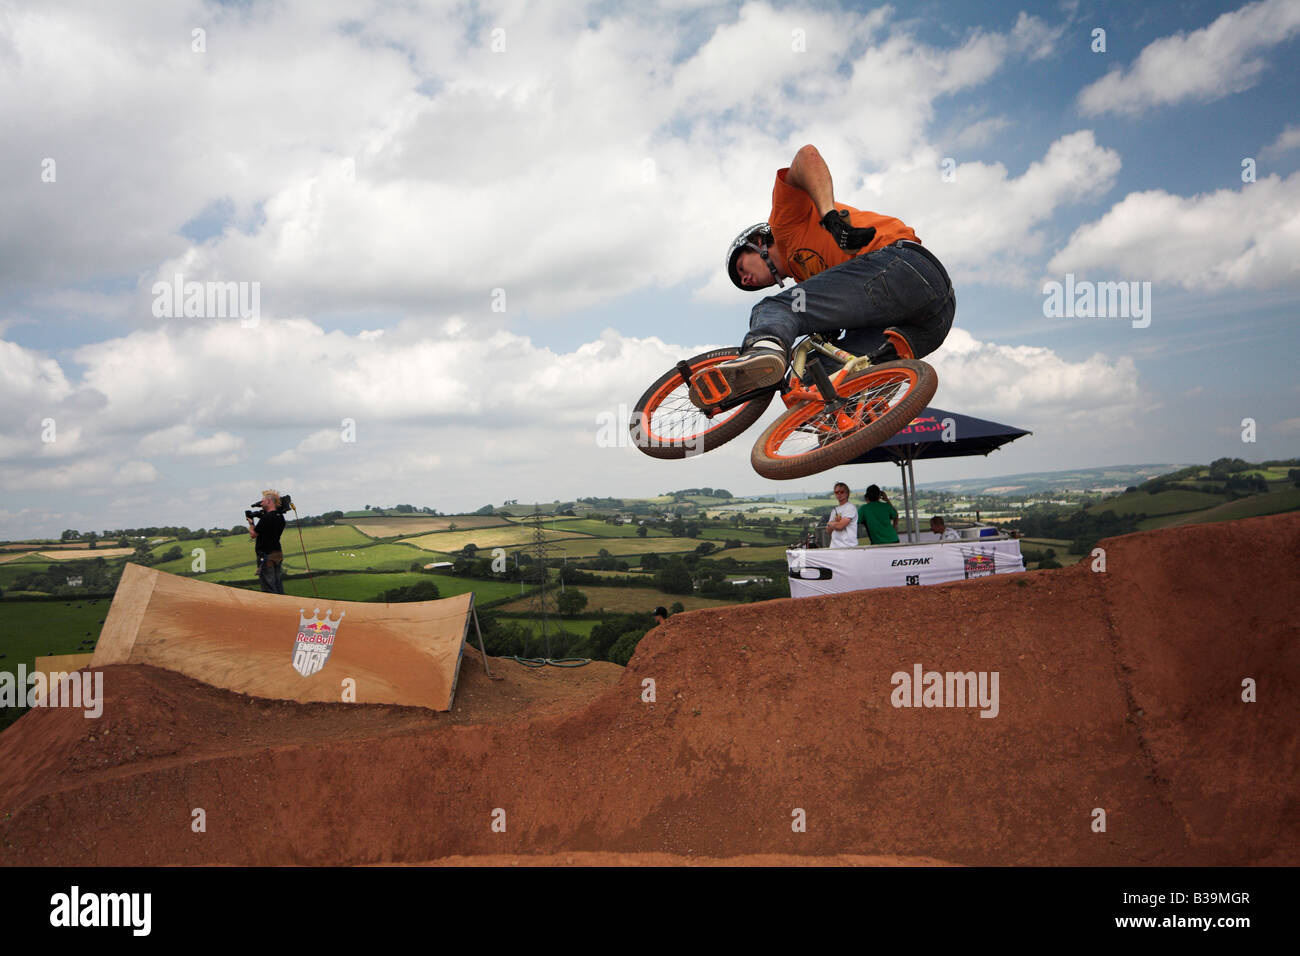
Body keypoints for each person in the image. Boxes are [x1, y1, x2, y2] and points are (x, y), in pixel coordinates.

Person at [690, 143, 955, 408]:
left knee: (775, 307)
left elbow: (807, 156)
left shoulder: (784, 224)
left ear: (757, 242)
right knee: (812, 388)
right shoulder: (813, 286)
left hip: (905, 268)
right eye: (743, 284)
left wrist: (828, 214)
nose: (746, 281)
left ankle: (765, 348)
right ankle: (855, 422)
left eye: (741, 269)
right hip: (931, 324)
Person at [248, 489, 287, 594]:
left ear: (269, 502)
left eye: (263, 501)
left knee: (268, 586)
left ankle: (273, 608)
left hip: (266, 555)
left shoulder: (266, 518)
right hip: (277, 553)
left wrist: (251, 523)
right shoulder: (281, 517)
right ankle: (283, 604)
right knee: (277, 583)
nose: (261, 503)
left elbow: (253, 534)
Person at [825, 482, 859, 548]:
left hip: (848, 546)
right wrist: (835, 523)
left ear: (847, 493)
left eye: (842, 492)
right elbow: (828, 530)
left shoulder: (850, 507)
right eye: (837, 492)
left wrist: (831, 523)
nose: (839, 494)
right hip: (834, 547)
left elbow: (840, 526)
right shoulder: (834, 510)